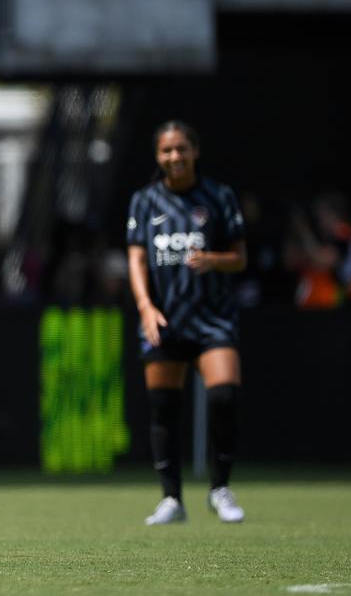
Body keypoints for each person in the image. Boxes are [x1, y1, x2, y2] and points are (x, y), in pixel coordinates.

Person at [125, 120, 248, 525]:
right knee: (164, 408)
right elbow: (137, 258)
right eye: (166, 151)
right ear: (157, 156)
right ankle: (171, 499)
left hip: (212, 317)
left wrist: (213, 260)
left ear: (195, 151)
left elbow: (240, 256)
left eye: (181, 149)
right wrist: (145, 306)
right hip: (166, 318)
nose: (174, 157)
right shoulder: (144, 201)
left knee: (224, 396)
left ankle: (220, 489)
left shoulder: (219, 196)